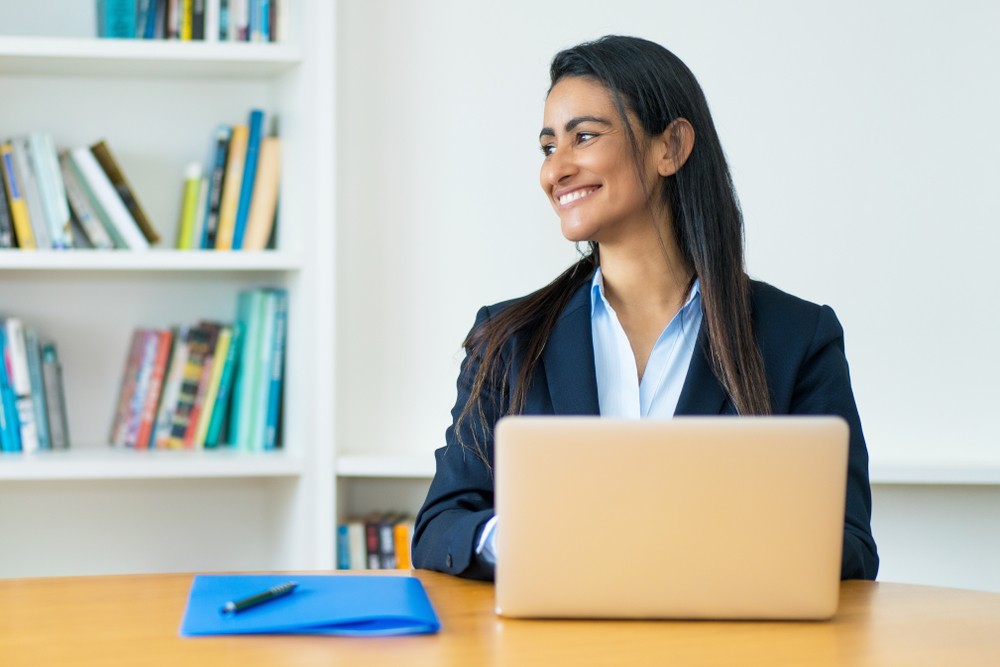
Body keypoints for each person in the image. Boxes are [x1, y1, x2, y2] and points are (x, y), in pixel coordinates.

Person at [411, 35, 878, 582]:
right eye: (547, 147)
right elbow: (440, 527)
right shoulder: (508, 338)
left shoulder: (797, 336)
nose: (555, 170)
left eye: (583, 137)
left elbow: (851, 548)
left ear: (671, 147)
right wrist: (519, 536)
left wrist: (702, 537)